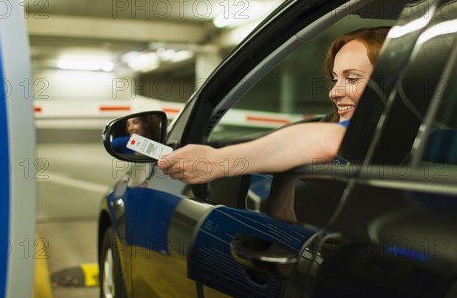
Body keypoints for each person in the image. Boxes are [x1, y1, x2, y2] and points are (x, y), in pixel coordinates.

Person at [158, 26, 391, 184]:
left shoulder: (414, 137)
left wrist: (217, 161)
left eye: (351, 79)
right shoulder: (368, 133)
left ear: (394, 83)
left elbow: (329, 139)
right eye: (334, 79)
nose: (335, 92)